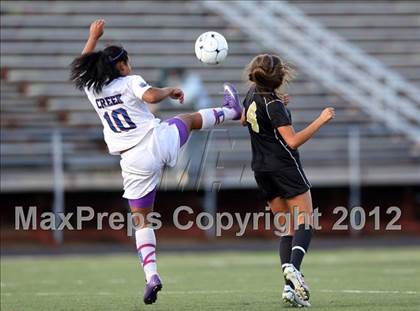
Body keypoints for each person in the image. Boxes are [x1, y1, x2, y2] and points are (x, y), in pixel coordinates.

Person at [70, 19, 242, 305]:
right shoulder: (129, 81)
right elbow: (149, 95)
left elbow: (81, 70)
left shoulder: (93, 89)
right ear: (121, 65)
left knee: (141, 221)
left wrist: (92, 36)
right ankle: (232, 111)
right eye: (127, 61)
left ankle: (151, 275)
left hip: (132, 161)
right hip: (154, 141)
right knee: (188, 119)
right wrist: (169, 90)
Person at [241, 54, 335, 307]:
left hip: (261, 170)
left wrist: (278, 105)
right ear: (280, 77)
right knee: (305, 221)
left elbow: (243, 119)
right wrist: (321, 120)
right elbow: (291, 141)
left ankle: (289, 290)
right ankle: (294, 269)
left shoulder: (252, 94)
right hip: (284, 167)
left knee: (286, 229)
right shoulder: (274, 104)